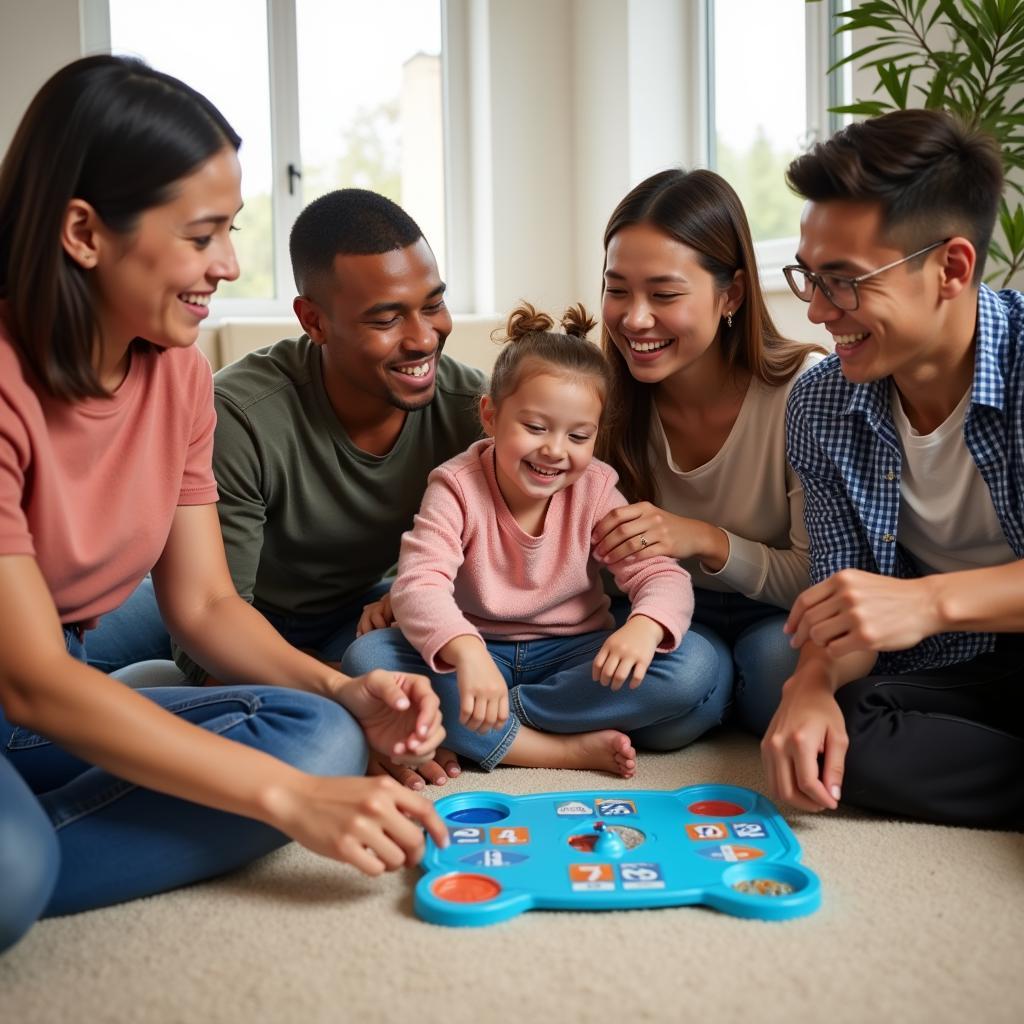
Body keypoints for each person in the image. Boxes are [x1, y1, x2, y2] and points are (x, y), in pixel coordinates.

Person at [0, 56, 448, 955]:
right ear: (83, 232)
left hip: (60, 689)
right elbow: (30, 676)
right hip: (34, 681)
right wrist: (282, 801)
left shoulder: (178, 376)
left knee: (320, 737)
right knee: (16, 875)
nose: (229, 264)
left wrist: (345, 689)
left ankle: (38, 834)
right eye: (203, 235)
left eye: (231, 231)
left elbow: (203, 604)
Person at [762, 108, 1024, 829]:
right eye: (808, 278)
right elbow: (840, 598)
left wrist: (930, 600)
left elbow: (908, 607)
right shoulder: (821, 403)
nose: (817, 312)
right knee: (851, 736)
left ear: (952, 267)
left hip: (956, 628)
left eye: (842, 282)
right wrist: (811, 683)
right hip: (959, 662)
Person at [171, 188, 485, 789]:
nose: (423, 338)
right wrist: (350, 708)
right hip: (240, 609)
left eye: (433, 304)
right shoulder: (239, 416)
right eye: (387, 317)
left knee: (408, 689)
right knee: (63, 653)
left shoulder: (474, 413)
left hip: (359, 614)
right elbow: (204, 629)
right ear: (314, 320)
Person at [343, 303, 728, 775]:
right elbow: (419, 584)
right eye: (535, 427)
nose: (554, 450)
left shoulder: (596, 488)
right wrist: (466, 651)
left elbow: (659, 572)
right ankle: (555, 750)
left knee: (693, 665)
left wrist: (645, 626)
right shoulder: (456, 485)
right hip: (474, 647)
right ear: (491, 416)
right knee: (367, 658)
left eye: (578, 436)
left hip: (570, 655)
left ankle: (501, 723)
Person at [593, 169, 825, 735]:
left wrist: (703, 538)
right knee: (679, 680)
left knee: (779, 670)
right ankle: (708, 693)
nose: (634, 318)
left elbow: (816, 579)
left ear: (732, 295)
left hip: (777, 613)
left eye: (664, 294)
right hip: (655, 608)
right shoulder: (596, 393)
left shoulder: (803, 391)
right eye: (617, 289)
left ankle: (716, 697)